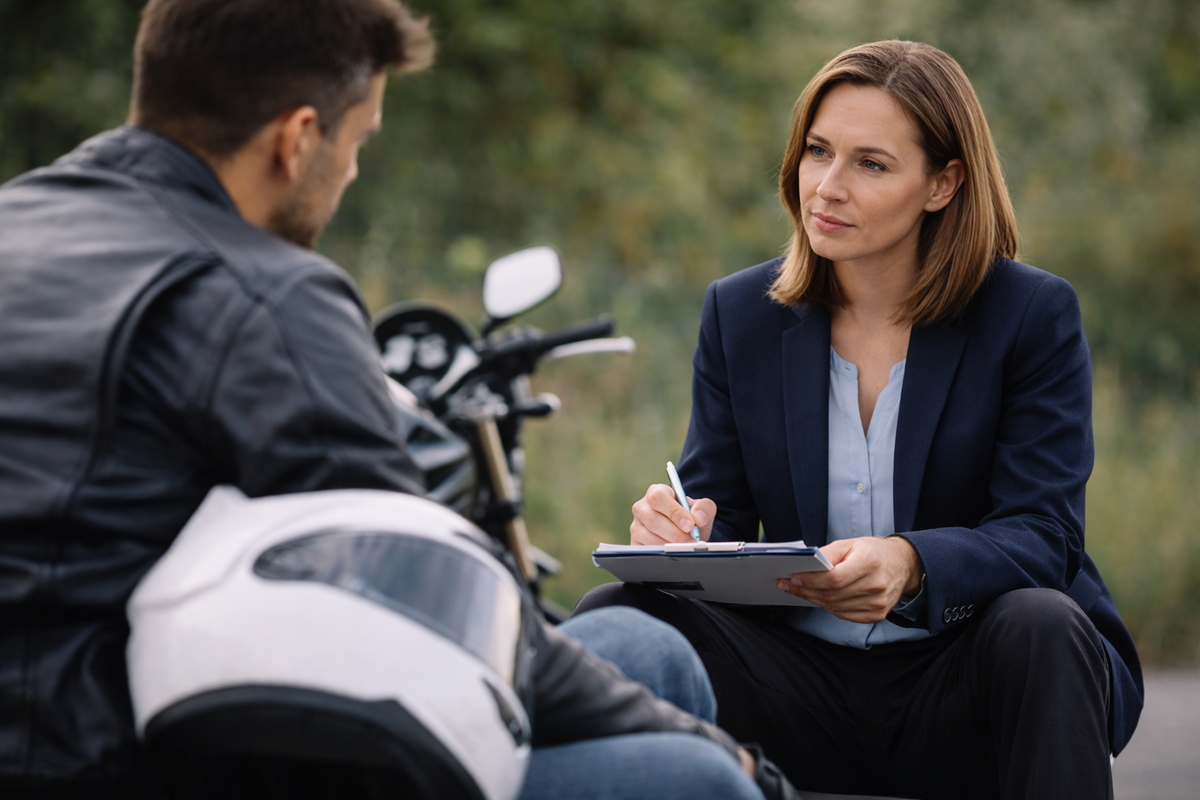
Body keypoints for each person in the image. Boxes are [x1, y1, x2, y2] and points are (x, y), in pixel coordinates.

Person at [0, 2, 795, 799]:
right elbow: (415, 598)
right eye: (359, 142)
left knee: (639, 643)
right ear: (298, 138)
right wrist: (729, 757)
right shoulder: (263, 292)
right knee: (697, 777)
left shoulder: (19, 220)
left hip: (98, 703)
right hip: (115, 757)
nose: (349, 172)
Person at [575, 39, 1144, 800]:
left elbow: (1044, 535)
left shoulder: (1031, 316)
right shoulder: (740, 314)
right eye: (817, 152)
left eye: (870, 164)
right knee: (621, 614)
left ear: (943, 183)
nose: (827, 187)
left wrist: (910, 563)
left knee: (1043, 622)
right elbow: (721, 507)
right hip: (793, 684)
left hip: (963, 677)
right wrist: (682, 533)